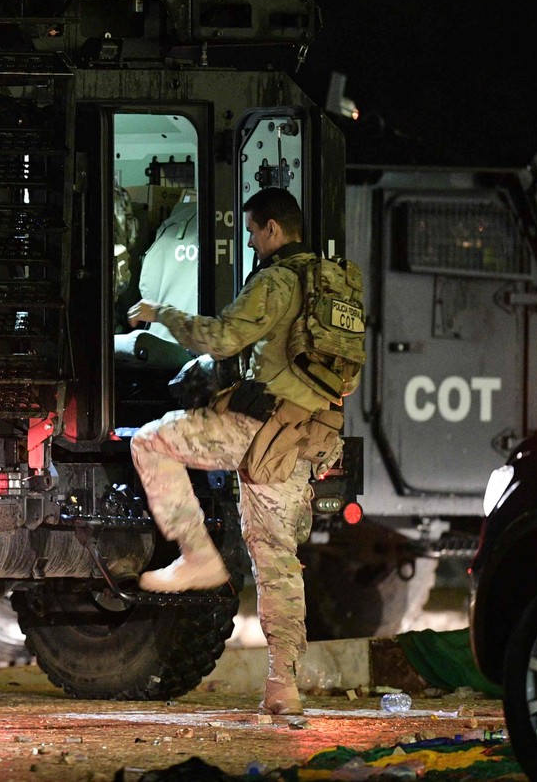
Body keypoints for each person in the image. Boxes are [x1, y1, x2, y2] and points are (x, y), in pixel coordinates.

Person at [125, 187, 341, 716]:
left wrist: (160, 312)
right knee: (279, 565)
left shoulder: (275, 282)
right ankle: (283, 687)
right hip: (306, 435)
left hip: (259, 429)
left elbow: (218, 338)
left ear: (271, 229)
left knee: (149, 441)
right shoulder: (332, 284)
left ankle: (197, 556)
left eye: (251, 230)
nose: (249, 239)